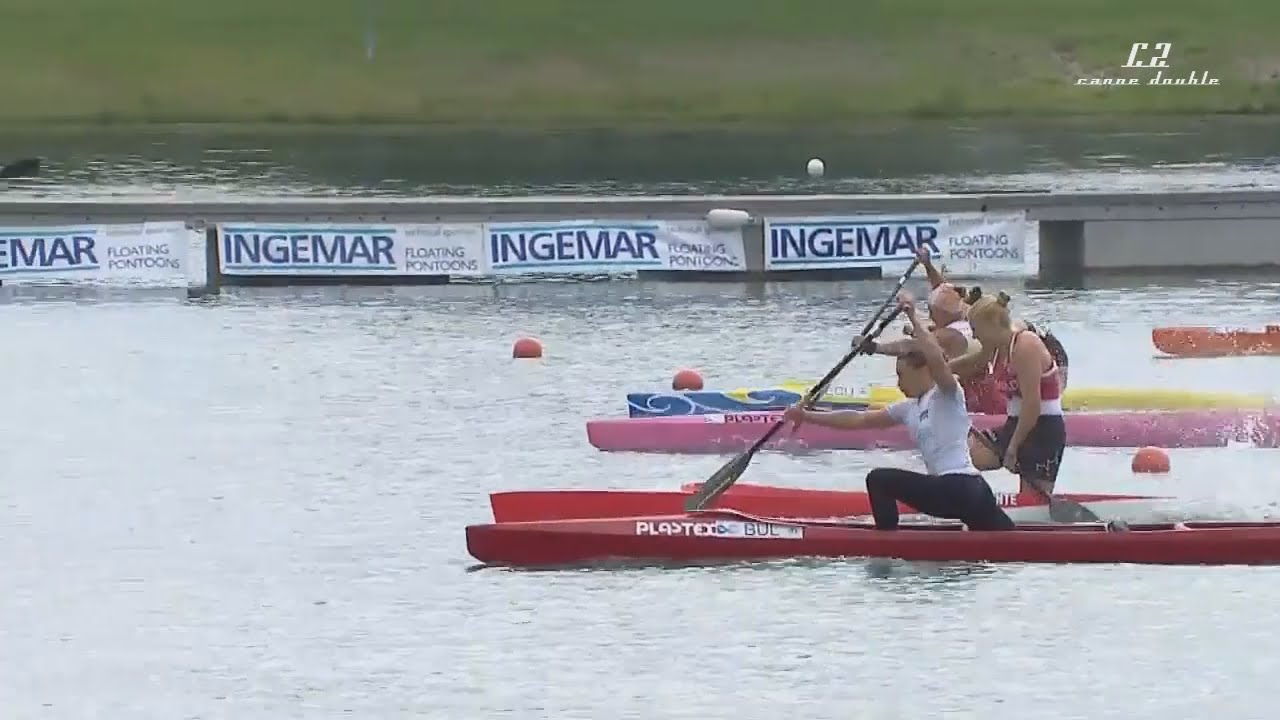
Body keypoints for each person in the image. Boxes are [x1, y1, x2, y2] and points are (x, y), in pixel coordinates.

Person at [785, 292, 1015, 531]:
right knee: (1010, 543)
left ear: (923, 371)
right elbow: (858, 420)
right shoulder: (908, 409)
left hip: (957, 487)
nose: (898, 384)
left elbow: (935, 356)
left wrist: (914, 316)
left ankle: (887, 543)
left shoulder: (948, 393)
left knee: (878, 480)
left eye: (902, 376)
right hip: (973, 493)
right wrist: (806, 416)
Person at [854, 248, 1004, 414]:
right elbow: (942, 288)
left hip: (973, 402)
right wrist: (927, 265)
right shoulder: (970, 314)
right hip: (985, 391)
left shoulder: (948, 335)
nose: (931, 316)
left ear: (939, 313)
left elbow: (909, 346)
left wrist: (874, 347)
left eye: (931, 311)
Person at [950, 292, 1067, 495]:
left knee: (1033, 504)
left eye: (976, 330)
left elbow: (1032, 406)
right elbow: (972, 362)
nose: (975, 336)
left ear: (993, 324)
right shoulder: (995, 348)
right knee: (963, 454)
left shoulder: (1025, 346)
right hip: (1015, 425)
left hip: (1043, 430)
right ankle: (970, 501)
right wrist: (939, 371)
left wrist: (1012, 449)